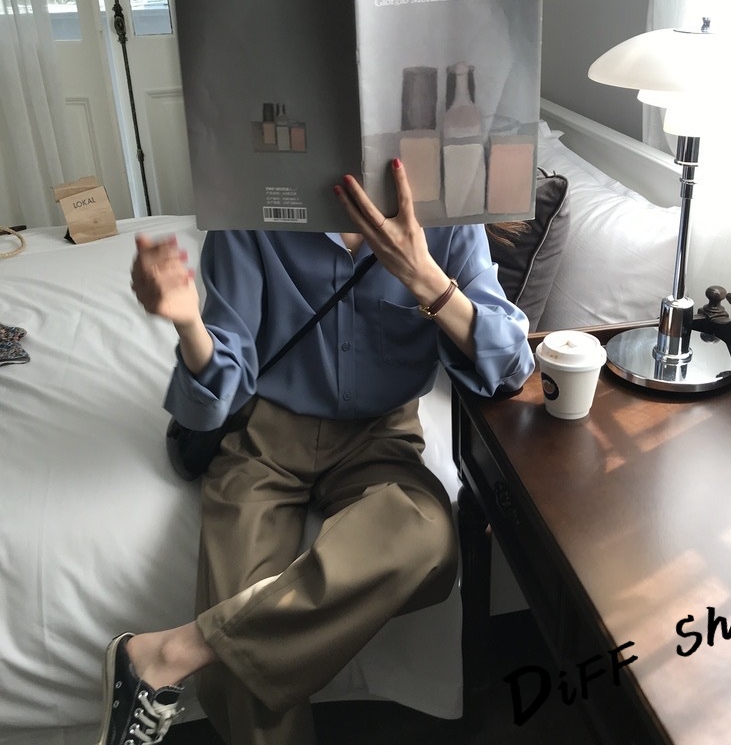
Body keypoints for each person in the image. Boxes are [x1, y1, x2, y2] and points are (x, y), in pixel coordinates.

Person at [99, 159, 534, 745]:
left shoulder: (448, 215)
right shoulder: (252, 206)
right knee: (237, 672)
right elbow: (217, 388)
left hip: (382, 436)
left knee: (428, 539)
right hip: (264, 437)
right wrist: (188, 325)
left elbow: (513, 365)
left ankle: (175, 650)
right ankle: (202, 651)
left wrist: (425, 278)